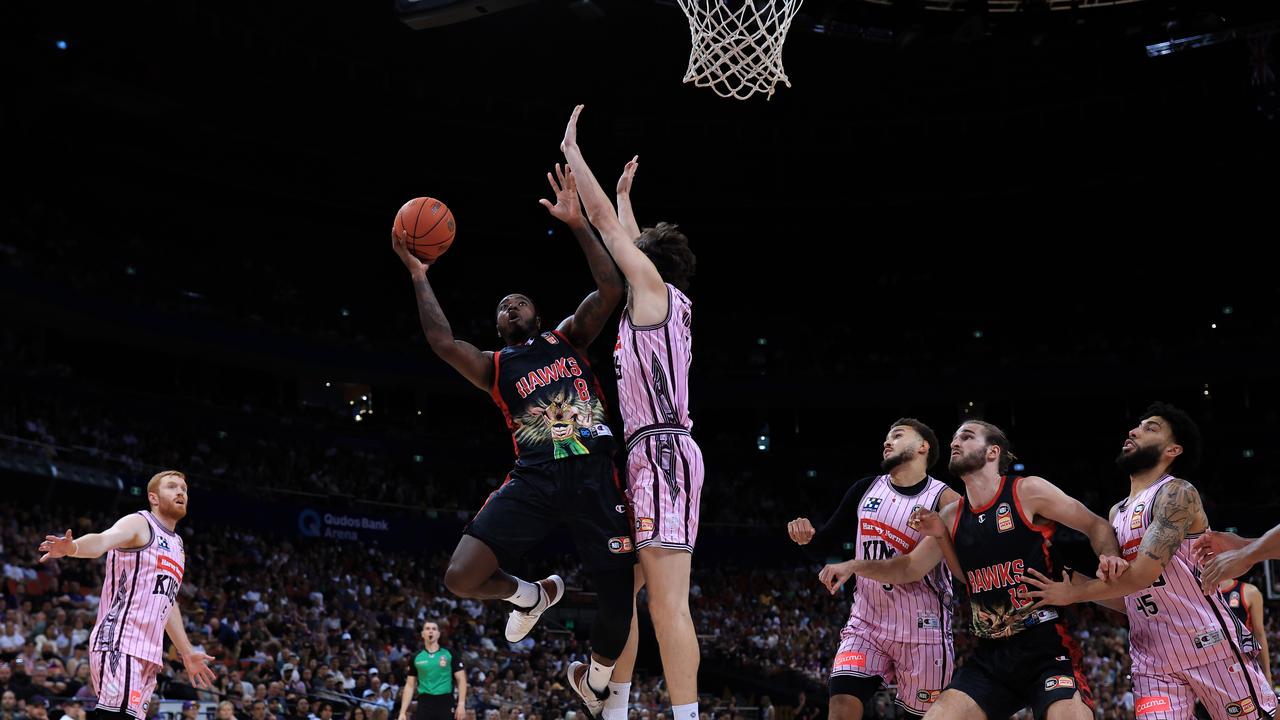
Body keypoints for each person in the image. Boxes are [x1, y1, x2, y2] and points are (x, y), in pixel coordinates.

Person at [390, 164, 634, 712]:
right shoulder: (495, 366)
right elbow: (442, 341)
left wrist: (576, 223)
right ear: (499, 327)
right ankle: (530, 593)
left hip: (596, 477)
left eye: (519, 300)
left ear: (538, 313)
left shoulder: (569, 336)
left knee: (620, 600)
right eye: (502, 306)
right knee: (460, 575)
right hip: (537, 479)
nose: (510, 305)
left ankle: (595, 681)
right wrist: (418, 274)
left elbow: (611, 288)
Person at [823, 421, 1123, 719]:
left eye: (966, 437)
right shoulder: (951, 516)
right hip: (992, 655)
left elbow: (1096, 524)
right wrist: (854, 565)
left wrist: (1110, 556)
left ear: (993, 452)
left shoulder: (1027, 491)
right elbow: (909, 567)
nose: (955, 443)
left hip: (1046, 649)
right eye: (953, 438)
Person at [559, 105, 703, 720]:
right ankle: (611, 706)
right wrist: (624, 196)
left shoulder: (652, 293)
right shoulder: (663, 299)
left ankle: (687, 716)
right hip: (646, 454)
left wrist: (573, 151)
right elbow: (631, 243)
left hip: (664, 453)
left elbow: (614, 238)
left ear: (648, 266)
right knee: (627, 588)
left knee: (667, 605)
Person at [1025, 403, 1277, 720]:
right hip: (1152, 659)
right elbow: (1128, 598)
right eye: (1138, 425)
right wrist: (1067, 579)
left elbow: (1143, 575)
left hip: (1209, 646)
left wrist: (1075, 593)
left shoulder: (1176, 493)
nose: (1134, 430)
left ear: (1173, 449)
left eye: (1150, 427)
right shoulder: (1116, 513)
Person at [786, 419, 959, 718]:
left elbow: (913, 567)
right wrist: (805, 537)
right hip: (867, 624)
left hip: (923, 630)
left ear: (923, 446)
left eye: (897, 435)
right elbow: (822, 545)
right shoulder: (865, 489)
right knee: (840, 707)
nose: (887, 442)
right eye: (886, 437)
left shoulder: (945, 499)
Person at [38, 470, 215, 720]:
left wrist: (186, 652)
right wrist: (73, 547)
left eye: (184, 489)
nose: (180, 492)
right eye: (172, 487)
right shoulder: (139, 523)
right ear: (153, 498)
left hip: (149, 654)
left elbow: (167, 600)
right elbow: (101, 541)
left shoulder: (178, 545)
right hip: (120, 641)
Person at [398, 621, 466, 720]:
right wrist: (402, 712)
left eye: (434, 629)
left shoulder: (450, 653)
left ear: (438, 634)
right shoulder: (415, 657)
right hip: (424, 702)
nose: (431, 631)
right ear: (422, 634)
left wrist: (461, 704)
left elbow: (461, 679)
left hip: (445, 701)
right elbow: (410, 685)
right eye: (427, 629)